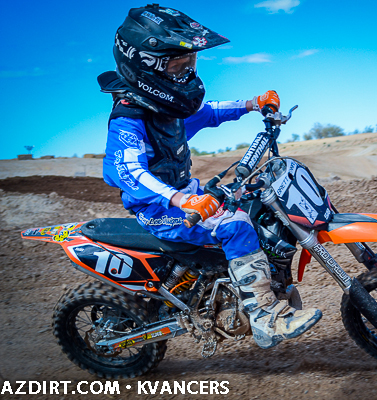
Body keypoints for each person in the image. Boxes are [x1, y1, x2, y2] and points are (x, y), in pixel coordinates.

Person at [99, 4, 321, 349]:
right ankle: (265, 316)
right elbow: (128, 171)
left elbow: (208, 113)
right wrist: (181, 199)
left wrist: (252, 103)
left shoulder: (167, 108)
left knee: (256, 203)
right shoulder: (129, 119)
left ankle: (250, 282)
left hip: (189, 195)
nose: (187, 72)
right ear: (145, 64)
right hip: (160, 210)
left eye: (190, 63)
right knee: (236, 225)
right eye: (178, 65)